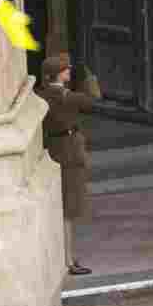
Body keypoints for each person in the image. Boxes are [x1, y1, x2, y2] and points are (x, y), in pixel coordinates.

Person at [37, 53, 102, 275]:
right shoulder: (69, 97)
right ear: (59, 73)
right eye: (66, 69)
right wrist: (90, 80)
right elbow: (94, 100)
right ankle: (67, 261)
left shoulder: (41, 96)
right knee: (68, 210)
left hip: (53, 150)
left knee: (61, 208)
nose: (69, 72)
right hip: (70, 153)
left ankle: (63, 258)